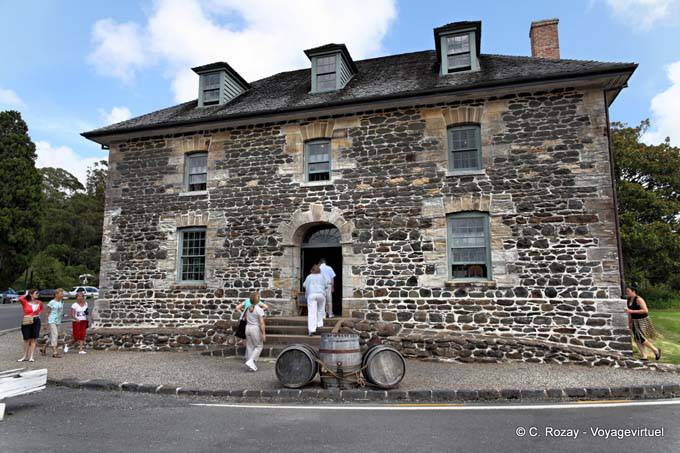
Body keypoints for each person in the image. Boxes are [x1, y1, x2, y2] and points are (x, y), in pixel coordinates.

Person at [625, 286, 661, 361]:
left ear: (633, 291)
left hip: (642, 320)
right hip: (635, 321)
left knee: (640, 337)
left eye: (628, 291)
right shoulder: (628, 300)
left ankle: (655, 350)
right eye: (626, 291)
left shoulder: (638, 299)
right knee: (637, 339)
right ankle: (644, 356)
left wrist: (632, 311)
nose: (627, 293)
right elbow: (629, 313)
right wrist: (630, 322)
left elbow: (645, 310)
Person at [18, 289, 43, 362]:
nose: (38, 294)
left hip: (36, 321)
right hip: (27, 321)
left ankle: (31, 356)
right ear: (31, 294)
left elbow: (41, 309)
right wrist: (26, 294)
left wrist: (37, 315)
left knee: (33, 339)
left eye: (38, 293)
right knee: (26, 339)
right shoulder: (25, 302)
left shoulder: (39, 302)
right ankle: (24, 356)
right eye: (36, 293)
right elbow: (20, 298)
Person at [303, 264, 328, 336]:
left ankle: (312, 330)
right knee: (320, 310)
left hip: (312, 294)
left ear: (312, 270)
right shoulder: (322, 276)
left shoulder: (309, 277)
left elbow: (304, 285)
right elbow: (326, 285)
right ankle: (319, 324)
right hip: (321, 295)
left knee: (312, 312)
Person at [244, 293, 266, 372]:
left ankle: (251, 366)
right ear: (258, 300)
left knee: (250, 347)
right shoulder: (259, 309)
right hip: (255, 329)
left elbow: (246, 318)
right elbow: (262, 323)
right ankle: (251, 361)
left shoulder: (247, 308)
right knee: (259, 346)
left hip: (247, 328)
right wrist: (263, 333)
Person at [41, 288, 65, 358]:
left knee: (53, 335)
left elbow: (60, 312)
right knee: (55, 334)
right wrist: (46, 323)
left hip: (58, 320)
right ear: (56, 294)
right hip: (52, 320)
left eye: (62, 294)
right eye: (61, 294)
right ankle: (55, 352)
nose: (62, 295)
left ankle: (44, 347)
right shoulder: (51, 302)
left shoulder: (61, 302)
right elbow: (47, 312)